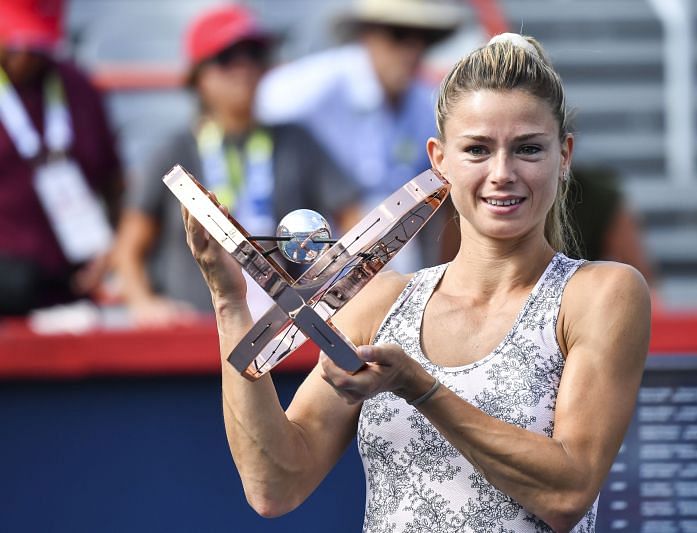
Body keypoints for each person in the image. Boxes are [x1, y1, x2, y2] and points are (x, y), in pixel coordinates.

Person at [184, 33, 651, 532]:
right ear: (439, 160)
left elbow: (567, 491)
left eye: (528, 149)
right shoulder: (382, 302)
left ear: (565, 156)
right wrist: (229, 302)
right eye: (477, 149)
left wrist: (419, 386)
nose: (502, 173)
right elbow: (274, 485)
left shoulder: (600, 294)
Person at [112, 4, 361, 327]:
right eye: (227, 58)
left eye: (254, 56)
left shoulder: (297, 142)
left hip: (286, 335)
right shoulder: (174, 152)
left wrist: (330, 287)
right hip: (194, 337)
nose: (244, 69)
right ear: (197, 76)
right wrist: (144, 304)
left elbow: (355, 221)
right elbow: (128, 249)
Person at [255, 0, 465, 272]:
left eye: (422, 39)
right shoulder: (327, 81)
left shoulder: (424, 102)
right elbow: (264, 102)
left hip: (397, 247)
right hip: (325, 247)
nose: (412, 50)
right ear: (368, 35)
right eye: (398, 35)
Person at [0, 0, 123, 315]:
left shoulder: (78, 88)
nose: (24, 52)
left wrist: (111, 250)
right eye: (13, 41)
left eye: (33, 42)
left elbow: (113, 181)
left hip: (71, 283)